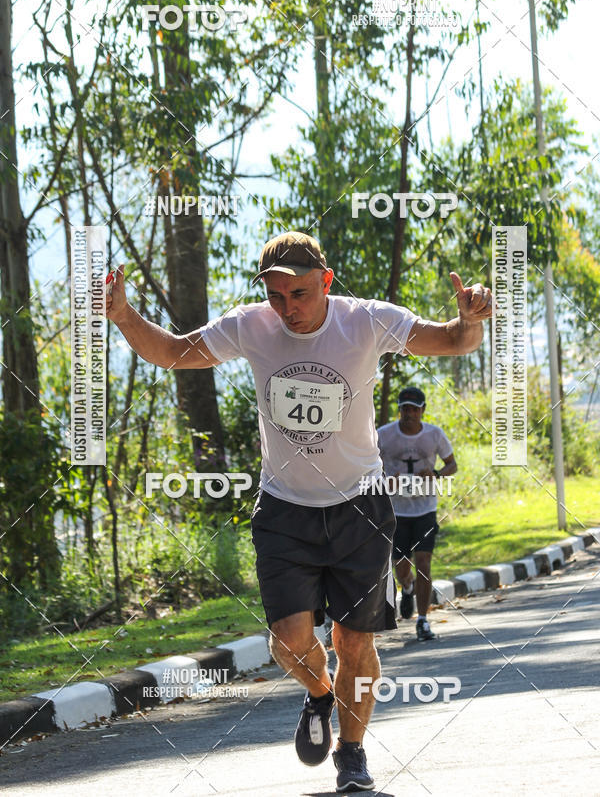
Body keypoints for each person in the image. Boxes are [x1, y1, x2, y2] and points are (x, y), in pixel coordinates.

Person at [106, 230, 493, 793]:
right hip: (285, 509)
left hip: (360, 507)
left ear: (326, 282)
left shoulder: (365, 320)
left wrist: (472, 317)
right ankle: (318, 695)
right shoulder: (251, 326)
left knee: (354, 644)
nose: (288, 308)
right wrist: (121, 313)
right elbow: (170, 352)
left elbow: (455, 341)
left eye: (301, 294)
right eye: (277, 295)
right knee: (287, 642)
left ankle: (353, 754)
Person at [377, 387, 457, 642]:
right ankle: (407, 588)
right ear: (399, 410)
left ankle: (423, 620)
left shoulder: (434, 435)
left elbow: (452, 464)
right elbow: (367, 466)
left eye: (414, 408)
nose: (409, 413)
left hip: (425, 508)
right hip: (396, 510)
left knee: (423, 563)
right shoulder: (384, 436)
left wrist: (435, 475)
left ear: (423, 410)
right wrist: (386, 481)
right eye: (404, 409)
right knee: (401, 567)